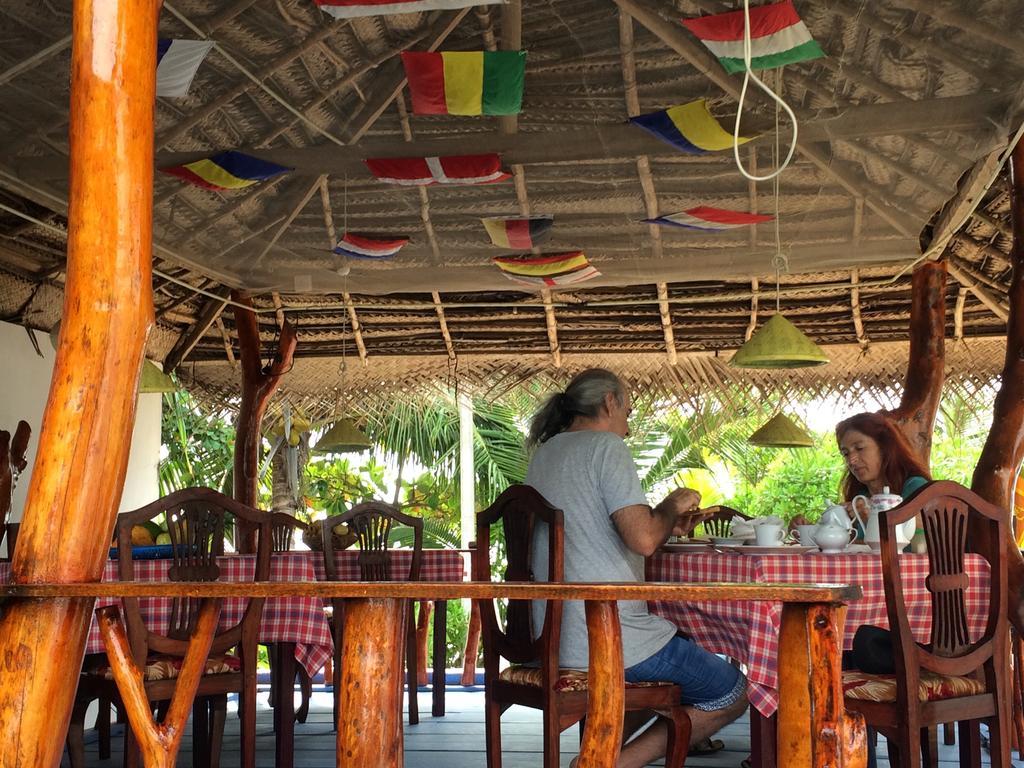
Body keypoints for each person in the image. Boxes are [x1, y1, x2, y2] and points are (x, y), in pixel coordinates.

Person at [525, 368, 748, 768]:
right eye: (628, 411)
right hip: (609, 638)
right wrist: (671, 506)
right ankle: (606, 765)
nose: (628, 426)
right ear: (609, 402)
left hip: (553, 636)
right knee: (732, 691)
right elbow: (642, 539)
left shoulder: (547, 452)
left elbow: (599, 531)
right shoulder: (606, 447)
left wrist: (664, 522)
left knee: (671, 669)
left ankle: (600, 752)